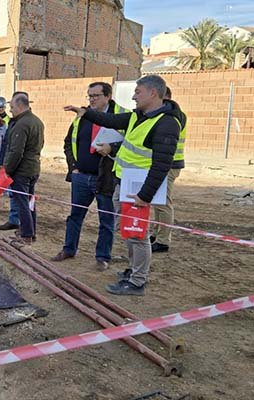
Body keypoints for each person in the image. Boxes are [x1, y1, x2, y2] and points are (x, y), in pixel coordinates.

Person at [65, 74, 181, 296]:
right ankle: (132, 271)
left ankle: (137, 281)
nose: (134, 96)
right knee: (129, 232)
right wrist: (85, 112)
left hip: (140, 189)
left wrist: (144, 195)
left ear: (153, 93)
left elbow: (162, 165)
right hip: (126, 183)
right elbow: (110, 121)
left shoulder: (166, 123)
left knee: (139, 234)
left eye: (138, 92)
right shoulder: (139, 116)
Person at [52, 82, 128, 270]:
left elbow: (131, 145)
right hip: (81, 177)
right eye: (89, 96)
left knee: (106, 220)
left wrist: (113, 148)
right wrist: (73, 167)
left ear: (108, 96)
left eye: (96, 96)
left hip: (106, 177)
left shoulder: (122, 116)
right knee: (75, 216)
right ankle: (69, 249)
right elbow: (69, 143)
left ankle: (102, 257)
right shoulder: (82, 117)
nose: (92, 99)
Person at [1, 93, 44, 244]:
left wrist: (8, 170)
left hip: (22, 170)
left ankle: (26, 234)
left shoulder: (22, 124)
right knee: (30, 201)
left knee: (23, 203)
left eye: (12, 107)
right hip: (33, 168)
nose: (10, 110)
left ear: (20, 106)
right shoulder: (36, 121)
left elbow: (16, 151)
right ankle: (31, 232)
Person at [150, 86, 186, 253]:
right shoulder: (170, 114)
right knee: (157, 202)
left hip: (170, 165)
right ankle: (156, 233)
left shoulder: (173, 116)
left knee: (163, 203)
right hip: (166, 164)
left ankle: (163, 240)